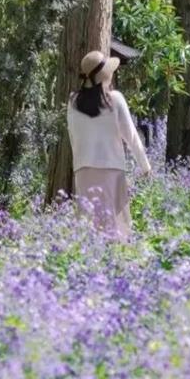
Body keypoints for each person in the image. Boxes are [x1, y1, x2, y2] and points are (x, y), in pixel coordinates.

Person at [67, 50, 151, 239]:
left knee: (88, 224)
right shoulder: (115, 99)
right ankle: (117, 265)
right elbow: (131, 137)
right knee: (116, 224)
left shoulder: (73, 102)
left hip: (83, 170)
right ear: (104, 74)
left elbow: (73, 137)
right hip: (111, 169)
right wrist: (145, 167)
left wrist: (78, 165)